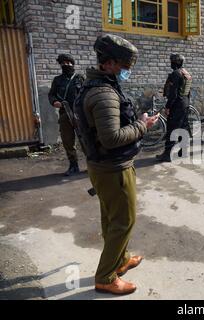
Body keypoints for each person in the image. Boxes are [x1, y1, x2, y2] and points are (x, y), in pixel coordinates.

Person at [74, 34, 159, 295]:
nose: (127, 72)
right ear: (108, 63)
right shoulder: (104, 94)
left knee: (112, 218)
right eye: (124, 66)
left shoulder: (96, 86)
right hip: (113, 168)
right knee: (123, 221)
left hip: (103, 165)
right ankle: (105, 276)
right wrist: (142, 126)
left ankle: (120, 261)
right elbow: (111, 139)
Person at [48, 54, 84, 176]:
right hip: (64, 114)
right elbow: (51, 94)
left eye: (68, 63)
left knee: (85, 139)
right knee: (68, 141)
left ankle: (93, 164)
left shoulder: (80, 78)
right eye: (63, 63)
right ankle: (73, 166)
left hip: (80, 114)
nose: (66, 65)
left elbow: (87, 93)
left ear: (72, 64)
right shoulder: (57, 80)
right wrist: (54, 102)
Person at [156, 54, 192, 162]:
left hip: (177, 104)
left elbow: (173, 93)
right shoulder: (186, 73)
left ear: (175, 62)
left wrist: (168, 107)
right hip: (184, 103)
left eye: (172, 61)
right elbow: (188, 91)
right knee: (183, 128)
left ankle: (167, 155)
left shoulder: (176, 74)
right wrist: (188, 103)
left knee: (172, 129)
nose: (170, 63)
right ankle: (183, 152)